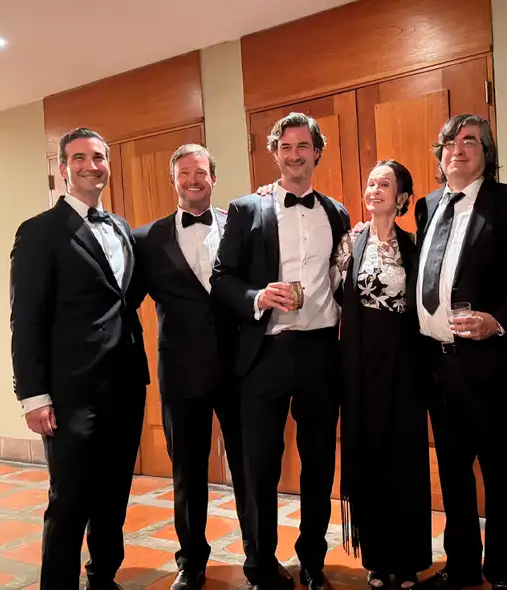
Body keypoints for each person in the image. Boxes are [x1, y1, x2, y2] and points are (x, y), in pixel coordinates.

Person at [211, 113, 350, 590]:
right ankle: (260, 564)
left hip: (319, 352)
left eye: (303, 146)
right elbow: (222, 279)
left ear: (317, 152)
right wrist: (255, 297)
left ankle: (312, 558)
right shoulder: (246, 209)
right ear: (274, 153)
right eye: (286, 147)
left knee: (318, 464)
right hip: (264, 355)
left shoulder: (336, 211)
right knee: (260, 466)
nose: (295, 155)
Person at [9, 127, 149, 590]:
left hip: (126, 387)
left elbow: (124, 298)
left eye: (99, 157)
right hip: (71, 394)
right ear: (63, 169)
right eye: (80, 158)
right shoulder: (39, 232)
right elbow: (25, 319)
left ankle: (103, 576)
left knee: (114, 495)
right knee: (69, 500)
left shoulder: (123, 228)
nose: (91, 165)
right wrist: (33, 396)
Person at [415, 114, 507, 590]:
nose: (458, 148)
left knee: (499, 473)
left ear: (487, 152)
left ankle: (506, 572)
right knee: (452, 474)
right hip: (438, 365)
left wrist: (498, 321)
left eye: (471, 141)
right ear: (439, 154)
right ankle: (462, 565)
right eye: (449, 141)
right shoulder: (428, 206)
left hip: (491, 366)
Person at [129, 144, 251, 590]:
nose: (193, 180)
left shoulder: (241, 226)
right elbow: (126, 305)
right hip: (180, 374)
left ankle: (257, 557)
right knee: (187, 472)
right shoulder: (148, 239)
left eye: (201, 172)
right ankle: (191, 561)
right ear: (173, 179)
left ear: (213, 178)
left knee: (248, 467)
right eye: (184, 173)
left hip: (239, 370)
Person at [334, 161, 431, 589]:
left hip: (406, 366)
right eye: (370, 182)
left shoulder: (416, 245)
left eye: (384, 184)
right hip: (360, 366)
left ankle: (407, 559)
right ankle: (376, 558)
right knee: (369, 458)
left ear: (402, 198)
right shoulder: (348, 244)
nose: (374, 189)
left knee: (405, 461)